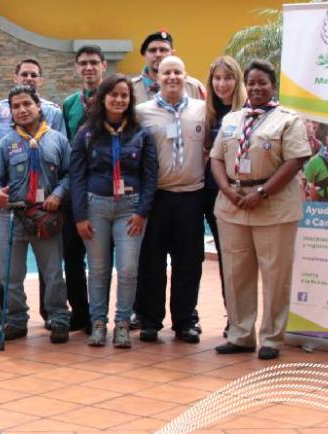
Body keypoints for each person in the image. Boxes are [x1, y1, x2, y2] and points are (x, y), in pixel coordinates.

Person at [210, 60, 311, 360]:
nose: (256, 88)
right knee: (236, 272)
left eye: (262, 83)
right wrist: (226, 189)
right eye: (251, 83)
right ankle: (241, 334)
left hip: (274, 205)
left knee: (275, 274)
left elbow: (296, 161)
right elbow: (216, 158)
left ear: (273, 86)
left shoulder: (288, 120)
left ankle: (272, 338)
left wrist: (263, 192)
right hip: (233, 205)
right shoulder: (232, 119)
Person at [70, 74, 158, 349]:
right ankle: (98, 323)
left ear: (130, 100)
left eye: (125, 95)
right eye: (114, 94)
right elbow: (77, 176)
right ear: (103, 98)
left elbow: (150, 175)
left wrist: (142, 211)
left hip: (130, 210)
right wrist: (80, 216)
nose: (119, 100)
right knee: (98, 270)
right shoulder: (86, 133)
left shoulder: (140, 133)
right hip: (96, 206)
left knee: (129, 268)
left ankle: (122, 323)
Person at [0, 86, 72, 343]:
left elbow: (69, 175)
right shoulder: (5, 144)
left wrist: (58, 194)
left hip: (46, 214)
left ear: (38, 107)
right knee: (10, 275)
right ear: (10, 112)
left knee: (53, 272)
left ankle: (58, 318)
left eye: (26, 104)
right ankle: (15, 320)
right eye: (16, 106)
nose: (22, 110)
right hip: (12, 217)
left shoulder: (58, 140)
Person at [135, 56, 208, 344]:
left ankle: (185, 321)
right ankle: (150, 321)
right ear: (158, 77)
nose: (172, 77)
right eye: (167, 73)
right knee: (151, 261)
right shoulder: (142, 112)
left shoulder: (203, 110)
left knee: (189, 262)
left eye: (177, 72)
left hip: (192, 196)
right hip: (157, 197)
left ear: (186, 76)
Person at [60, 45, 110, 332]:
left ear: (103, 65)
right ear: (77, 68)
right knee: (73, 253)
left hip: (105, 187)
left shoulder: (115, 98)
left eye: (94, 62)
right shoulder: (70, 104)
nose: (89, 68)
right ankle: (80, 312)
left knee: (104, 257)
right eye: (83, 63)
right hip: (75, 187)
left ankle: (102, 313)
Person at [203, 55, 246, 328]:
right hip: (207, 192)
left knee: (236, 259)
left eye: (227, 78)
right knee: (223, 257)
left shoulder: (247, 113)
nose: (222, 84)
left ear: (237, 80)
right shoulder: (205, 113)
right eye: (217, 78)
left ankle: (239, 317)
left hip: (237, 194)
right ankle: (233, 316)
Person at [0, 59, 65, 139]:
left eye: (34, 75)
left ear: (40, 81)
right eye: (24, 74)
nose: (29, 78)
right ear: (15, 78)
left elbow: (61, 146)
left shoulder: (53, 112)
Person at [130, 30, 206, 104]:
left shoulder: (193, 87)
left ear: (173, 53)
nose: (158, 55)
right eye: (152, 50)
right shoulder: (131, 88)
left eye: (163, 50)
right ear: (144, 55)